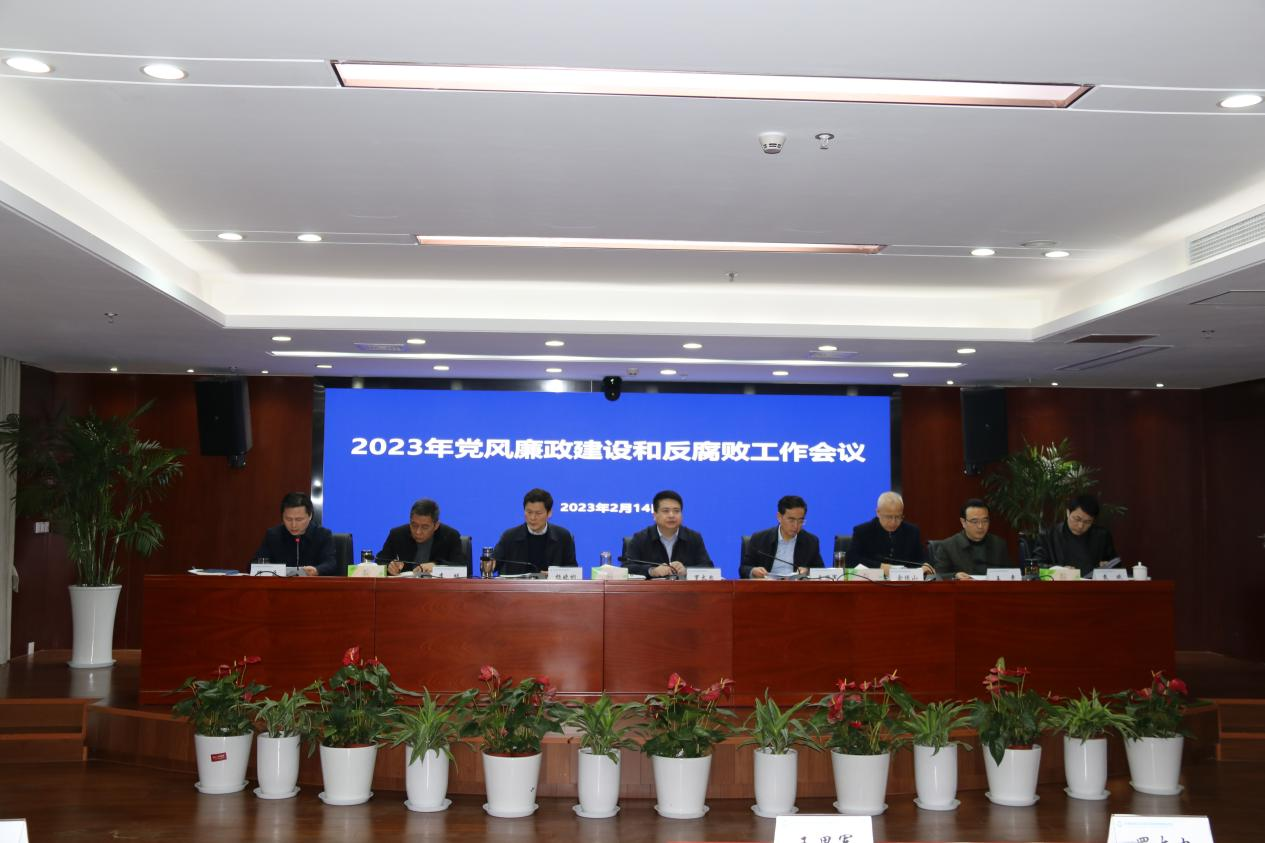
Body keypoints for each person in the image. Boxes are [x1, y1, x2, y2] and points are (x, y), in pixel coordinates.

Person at [623, 490, 714, 578]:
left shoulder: (693, 538)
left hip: (684, 589)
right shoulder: (640, 538)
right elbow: (626, 567)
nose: (671, 515)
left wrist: (686, 570)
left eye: (676, 511)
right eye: (666, 511)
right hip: (653, 589)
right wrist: (652, 571)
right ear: (654, 515)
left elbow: (708, 567)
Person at [492, 488, 577, 574]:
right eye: (529, 512)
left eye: (538, 513)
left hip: (551, 583)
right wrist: (488, 564)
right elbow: (492, 565)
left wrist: (554, 574)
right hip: (517, 583)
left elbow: (573, 570)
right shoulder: (509, 536)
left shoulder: (563, 536)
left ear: (549, 513)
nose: (532, 518)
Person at [251, 492, 337, 576]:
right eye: (288, 519)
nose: (293, 525)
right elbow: (253, 565)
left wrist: (317, 570)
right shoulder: (273, 535)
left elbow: (330, 563)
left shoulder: (323, 535)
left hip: (311, 584)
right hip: (280, 584)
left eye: (299, 520)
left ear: (310, 515)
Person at [1032, 494, 1118, 577]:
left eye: (1087, 522)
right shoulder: (1048, 536)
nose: (1081, 526)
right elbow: (1034, 568)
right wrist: (1058, 570)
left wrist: (1108, 566)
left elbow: (1115, 564)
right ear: (1068, 513)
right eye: (1077, 519)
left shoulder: (1102, 536)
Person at [740, 494, 824, 578]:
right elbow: (744, 568)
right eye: (791, 520)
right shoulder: (759, 538)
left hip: (796, 585)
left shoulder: (811, 541)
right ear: (779, 517)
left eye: (800, 521)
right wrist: (753, 571)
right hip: (768, 584)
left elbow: (821, 571)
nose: (796, 526)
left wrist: (808, 571)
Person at [849, 491, 933, 573]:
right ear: (878, 512)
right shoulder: (862, 531)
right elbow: (851, 560)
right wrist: (880, 567)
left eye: (898, 517)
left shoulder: (912, 531)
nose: (893, 522)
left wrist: (925, 565)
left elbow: (922, 559)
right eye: (889, 517)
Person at [377, 498, 465, 576]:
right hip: (404, 587)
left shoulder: (450, 536)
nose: (418, 532)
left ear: (436, 525)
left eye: (425, 527)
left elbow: (463, 567)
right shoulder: (397, 534)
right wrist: (389, 566)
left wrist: (436, 566)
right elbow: (379, 561)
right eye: (414, 525)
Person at [933, 498, 1014, 580]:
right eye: (975, 521)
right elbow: (938, 577)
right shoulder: (947, 547)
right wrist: (954, 576)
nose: (980, 526)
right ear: (963, 522)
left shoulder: (999, 544)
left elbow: (1012, 576)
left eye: (985, 521)